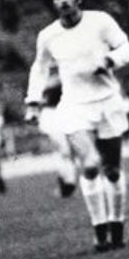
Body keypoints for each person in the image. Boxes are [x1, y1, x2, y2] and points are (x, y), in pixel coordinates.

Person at [25, 0, 129, 251]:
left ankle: (116, 226)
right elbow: (40, 68)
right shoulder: (48, 36)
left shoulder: (100, 21)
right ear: (53, 4)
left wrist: (110, 60)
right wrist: (33, 101)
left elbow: (127, 47)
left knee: (112, 171)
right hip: (75, 106)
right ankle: (99, 231)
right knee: (91, 164)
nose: (63, 0)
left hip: (107, 102)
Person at [35, 69, 78, 198]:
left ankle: (67, 182)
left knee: (64, 152)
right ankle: (67, 182)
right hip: (52, 115)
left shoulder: (48, 80)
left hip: (60, 114)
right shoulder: (53, 80)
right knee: (63, 151)